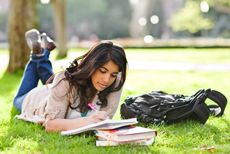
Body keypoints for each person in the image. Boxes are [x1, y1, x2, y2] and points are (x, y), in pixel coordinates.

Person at [14, 29, 128, 132]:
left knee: (61, 82)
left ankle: (40, 53)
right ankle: (39, 55)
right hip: (38, 99)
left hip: (58, 91)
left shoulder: (116, 81)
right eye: (102, 71)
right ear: (91, 65)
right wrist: (87, 121)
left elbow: (104, 120)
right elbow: (51, 125)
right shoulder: (65, 81)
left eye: (113, 74)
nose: (107, 80)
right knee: (18, 100)